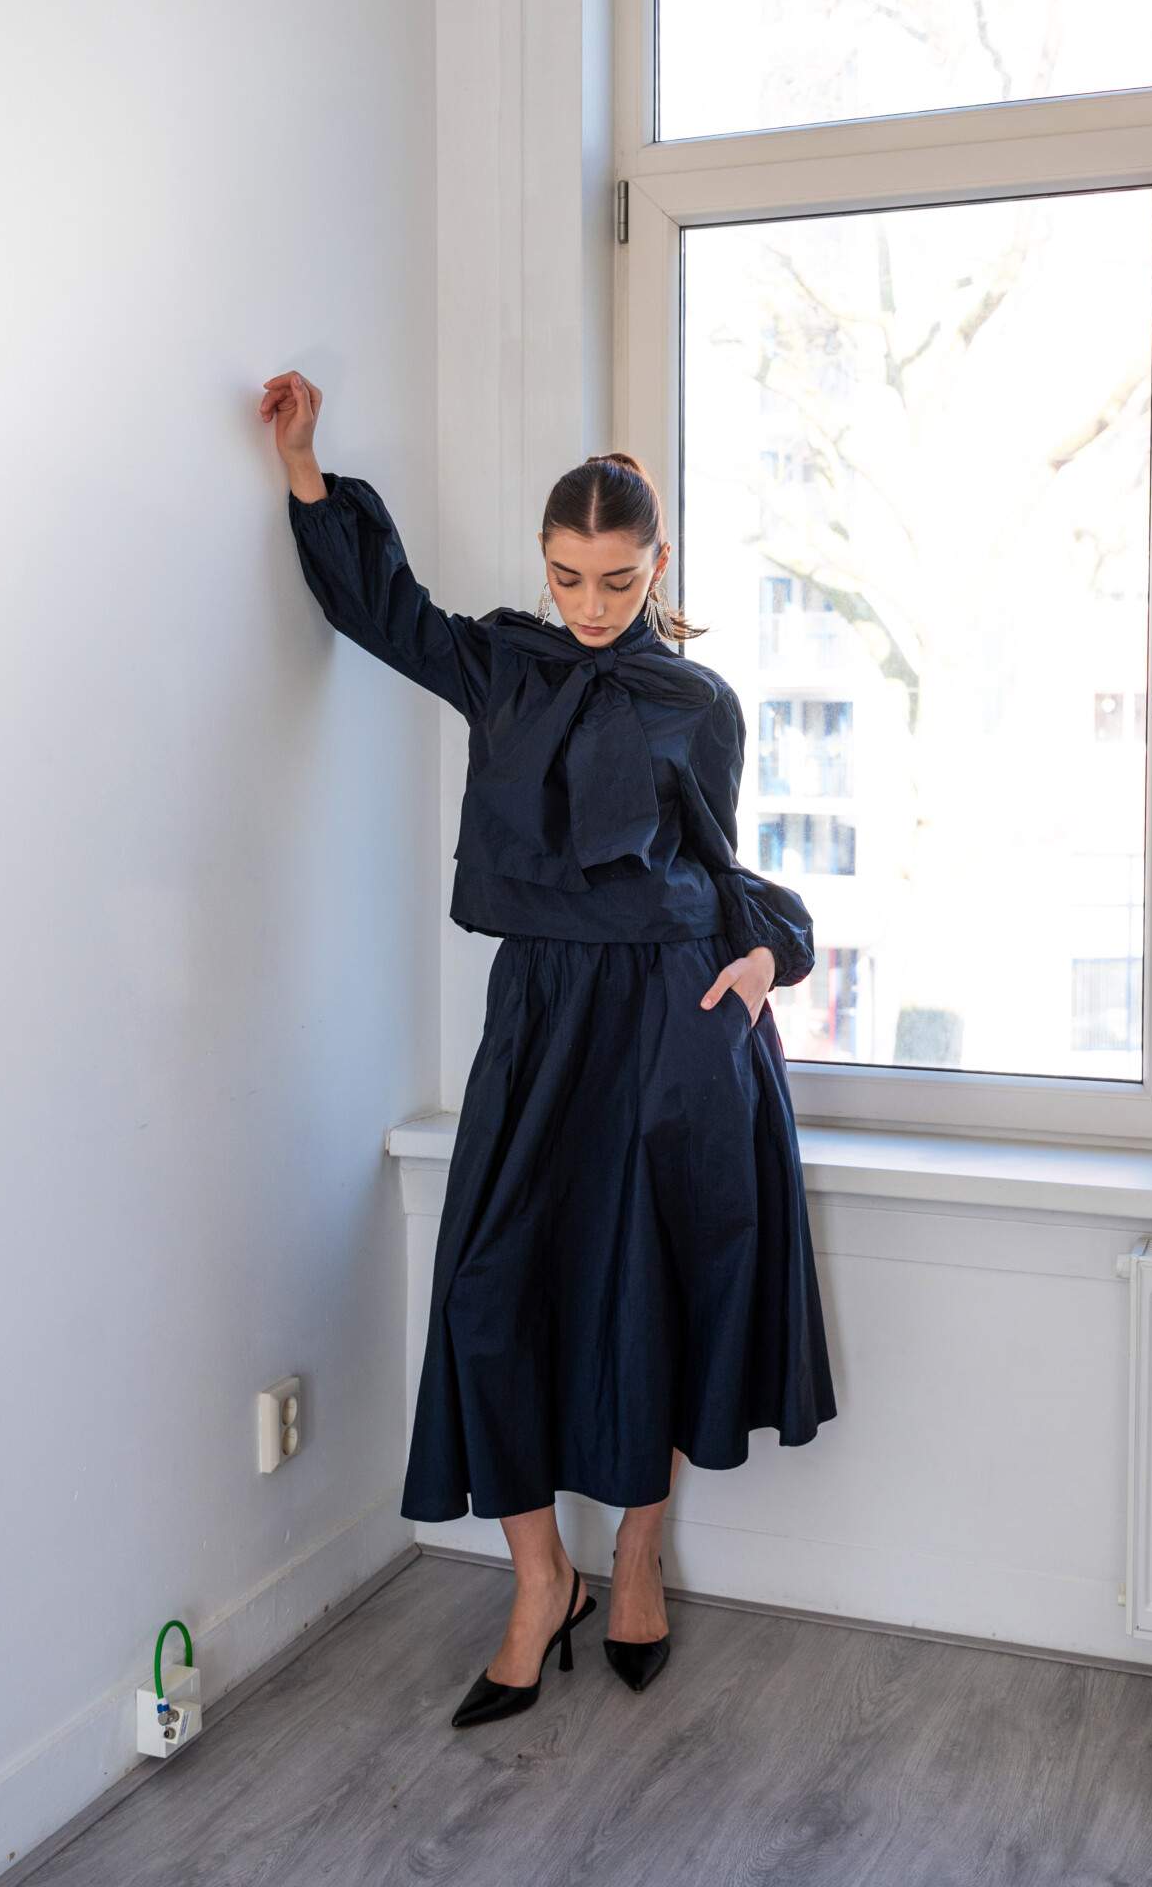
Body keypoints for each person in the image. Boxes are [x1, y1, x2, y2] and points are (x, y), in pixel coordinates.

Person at [260, 370, 836, 1728]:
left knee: (655, 1293)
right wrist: (304, 469)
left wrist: (768, 959)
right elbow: (381, 611)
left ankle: (634, 1561)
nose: (590, 604)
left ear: (657, 567)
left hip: (677, 1017)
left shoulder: (699, 702)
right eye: (569, 576)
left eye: (617, 581)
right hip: (540, 1011)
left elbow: (718, 870)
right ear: (543, 558)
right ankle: (541, 1579)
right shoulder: (503, 664)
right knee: (489, 1288)